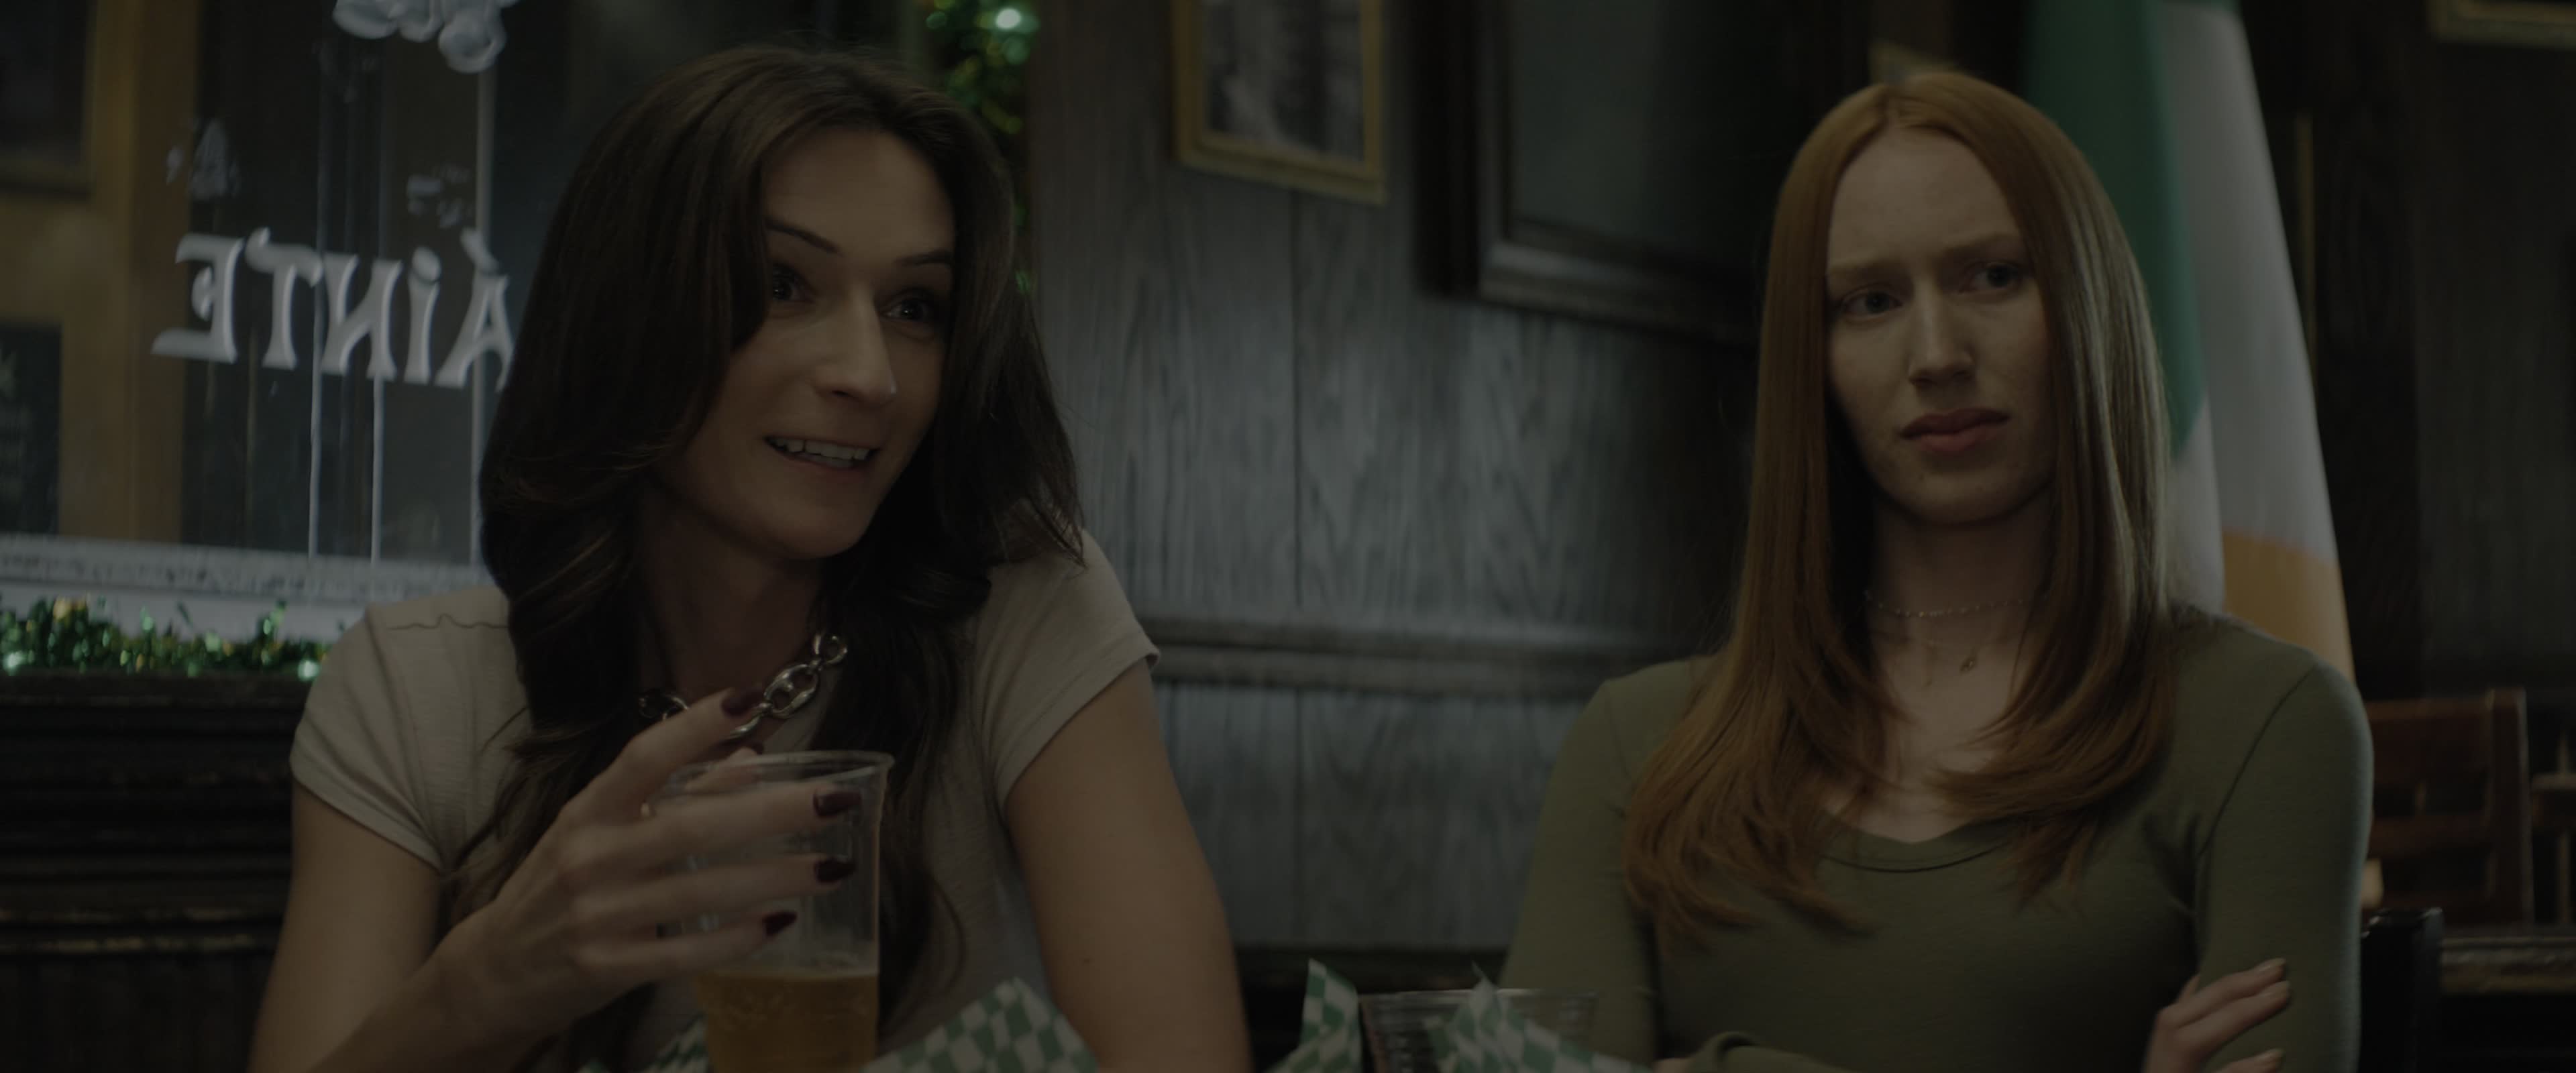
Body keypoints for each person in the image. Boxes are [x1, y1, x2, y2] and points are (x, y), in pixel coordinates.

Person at [248, 46, 1252, 1073]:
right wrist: (489, 984)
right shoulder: (418, 687)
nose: (869, 375)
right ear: (625, 313)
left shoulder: (1015, 609)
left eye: (915, 307)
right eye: (781, 285)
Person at [1501, 71, 2368, 1073]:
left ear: (2086, 302)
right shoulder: (1636, 746)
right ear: (1813, 357)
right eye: (1870, 301)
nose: (1937, 354)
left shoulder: (2267, 723)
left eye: (1992, 276)